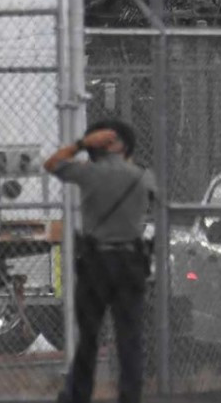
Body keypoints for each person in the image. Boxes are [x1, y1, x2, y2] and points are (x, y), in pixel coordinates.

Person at [46, 120, 156, 403]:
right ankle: (130, 396)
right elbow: (155, 202)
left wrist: (81, 145)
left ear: (98, 146)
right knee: (129, 337)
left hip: (96, 262)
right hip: (131, 260)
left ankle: (79, 395)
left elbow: (51, 164)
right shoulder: (143, 176)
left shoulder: (88, 174)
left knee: (89, 337)